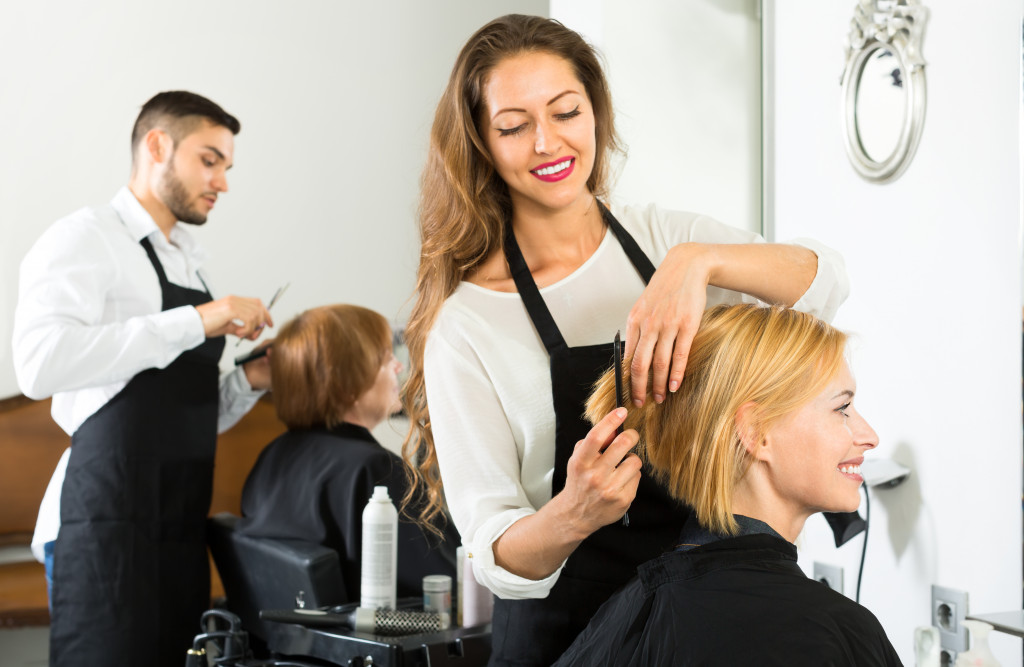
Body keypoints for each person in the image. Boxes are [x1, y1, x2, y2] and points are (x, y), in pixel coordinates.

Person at [400, 14, 851, 665]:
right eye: (513, 126)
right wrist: (576, 511)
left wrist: (700, 264)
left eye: (565, 112)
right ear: (481, 143)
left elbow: (824, 281)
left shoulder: (665, 239)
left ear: (595, 114)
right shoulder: (468, 326)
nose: (547, 143)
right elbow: (493, 552)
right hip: (569, 641)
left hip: (702, 624)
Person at [12, 91, 273, 667]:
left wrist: (251, 379)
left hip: (177, 525)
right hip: (101, 524)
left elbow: (185, 410)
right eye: (210, 160)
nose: (222, 182)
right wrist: (194, 320)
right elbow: (37, 364)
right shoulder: (84, 238)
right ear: (157, 145)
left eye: (227, 167)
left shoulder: (190, 262)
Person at [554, 303, 902, 666]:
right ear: (756, 432)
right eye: (842, 408)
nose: (869, 436)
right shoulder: (837, 630)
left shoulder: (626, 614)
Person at [237, 304, 458, 600]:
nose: (399, 366)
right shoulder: (374, 469)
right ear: (346, 385)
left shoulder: (271, 456)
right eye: (386, 358)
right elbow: (448, 582)